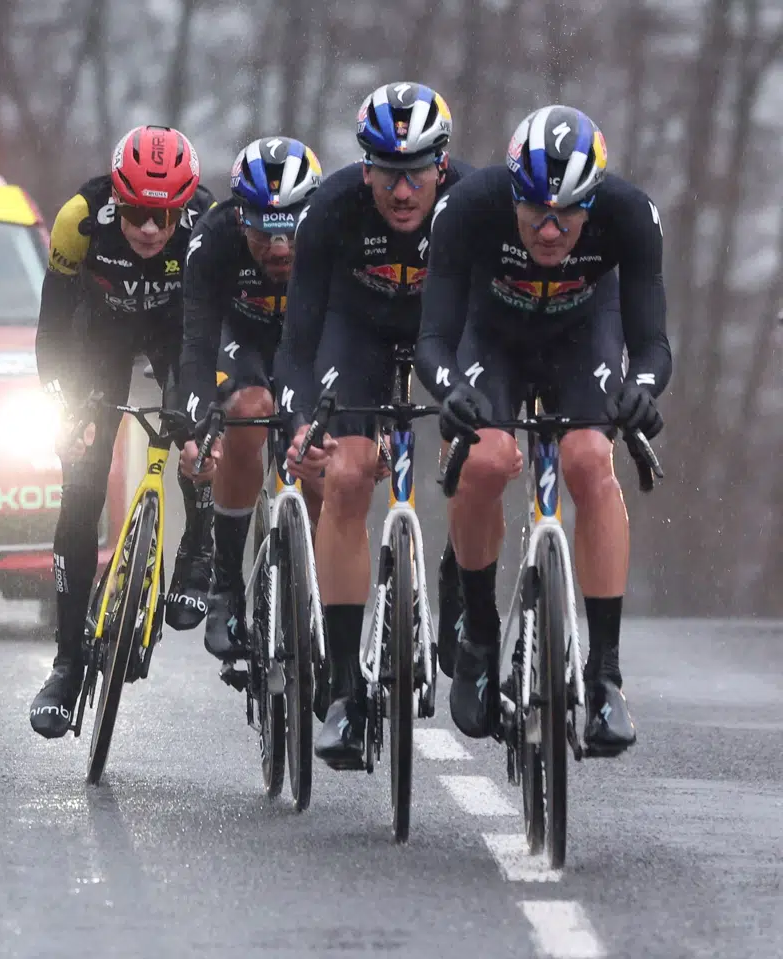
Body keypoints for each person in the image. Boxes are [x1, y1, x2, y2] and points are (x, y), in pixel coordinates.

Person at [414, 104, 671, 756]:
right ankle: (476, 634)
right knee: (486, 459)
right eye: (535, 213)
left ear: (594, 201)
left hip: (584, 335)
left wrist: (640, 391)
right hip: (493, 337)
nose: (552, 230)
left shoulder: (631, 214)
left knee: (590, 458)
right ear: (512, 195)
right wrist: (450, 393)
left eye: (569, 214)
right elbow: (435, 337)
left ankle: (605, 673)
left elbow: (651, 343)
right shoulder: (468, 208)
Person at [273, 82, 472, 768]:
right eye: (387, 168)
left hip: (439, 334)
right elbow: (298, 342)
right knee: (349, 475)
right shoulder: (330, 209)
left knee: (479, 451)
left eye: (418, 168)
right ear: (365, 168)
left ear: (442, 164)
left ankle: (459, 571)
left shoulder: (470, 204)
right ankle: (342, 695)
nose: (402, 186)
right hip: (353, 334)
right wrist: (301, 423)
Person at [29, 125, 217, 739]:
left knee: (197, 439)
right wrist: (63, 404)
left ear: (184, 206)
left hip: (176, 340)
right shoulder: (78, 220)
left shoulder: (207, 227)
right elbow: (52, 330)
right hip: (98, 343)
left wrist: (203, 408)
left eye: (163, 217)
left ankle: (198, 553)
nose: (148, 230)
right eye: (136, 213)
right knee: (80, 489)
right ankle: (66, 662)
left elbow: (216, 329)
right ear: (117, 197)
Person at [173, 136, 324, 663]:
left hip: (308, 343)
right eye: (263, 233)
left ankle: (315, 586)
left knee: (322, 453)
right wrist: (199, 425)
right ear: (240, 218)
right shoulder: (211, 236)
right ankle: (226, 584)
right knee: (248, 411)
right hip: (244, 342)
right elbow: (193, 349)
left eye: (290, 233)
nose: (279, 250)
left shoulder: (332, 234)